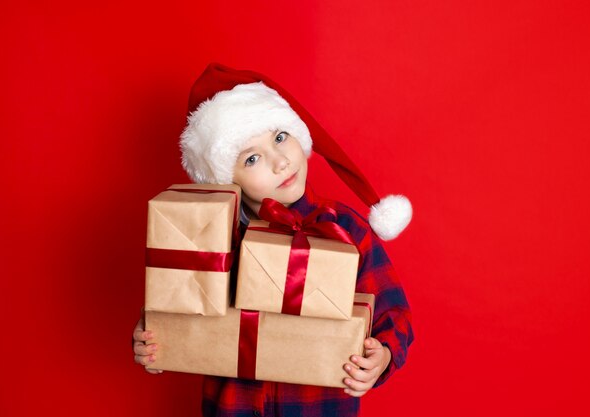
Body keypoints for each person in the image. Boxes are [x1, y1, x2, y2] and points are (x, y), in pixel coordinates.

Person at [133, 63, 414, 417]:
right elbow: (176, 306)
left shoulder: (345, 229)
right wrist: (154, 335)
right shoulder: (207, 236)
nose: (280, 162)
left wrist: (383, 355)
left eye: (280, 137)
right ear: (226, 178)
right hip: (234, 407)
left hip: (321, 406)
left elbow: (394, 311)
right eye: (252, 158)